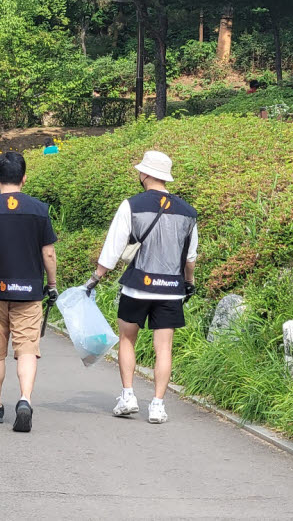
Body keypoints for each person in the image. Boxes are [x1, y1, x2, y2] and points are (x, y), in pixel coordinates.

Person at [84, 151, 197, 425]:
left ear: (145, 174)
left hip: (137, 287)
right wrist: (189, 283)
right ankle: (157, 405)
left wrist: (96, 277)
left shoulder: (131, 205)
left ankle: (128, 396)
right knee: (165, 348)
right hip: (171, 288)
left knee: (127, 339)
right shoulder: (188, 211)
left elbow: (114, 247)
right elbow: (190, 257)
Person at [0, 151, 58, 433]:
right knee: (27, 350)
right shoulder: (39, 209)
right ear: (24, 178)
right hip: (29, 292)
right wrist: (52, 284)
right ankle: (24, 399)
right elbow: (48, 253)